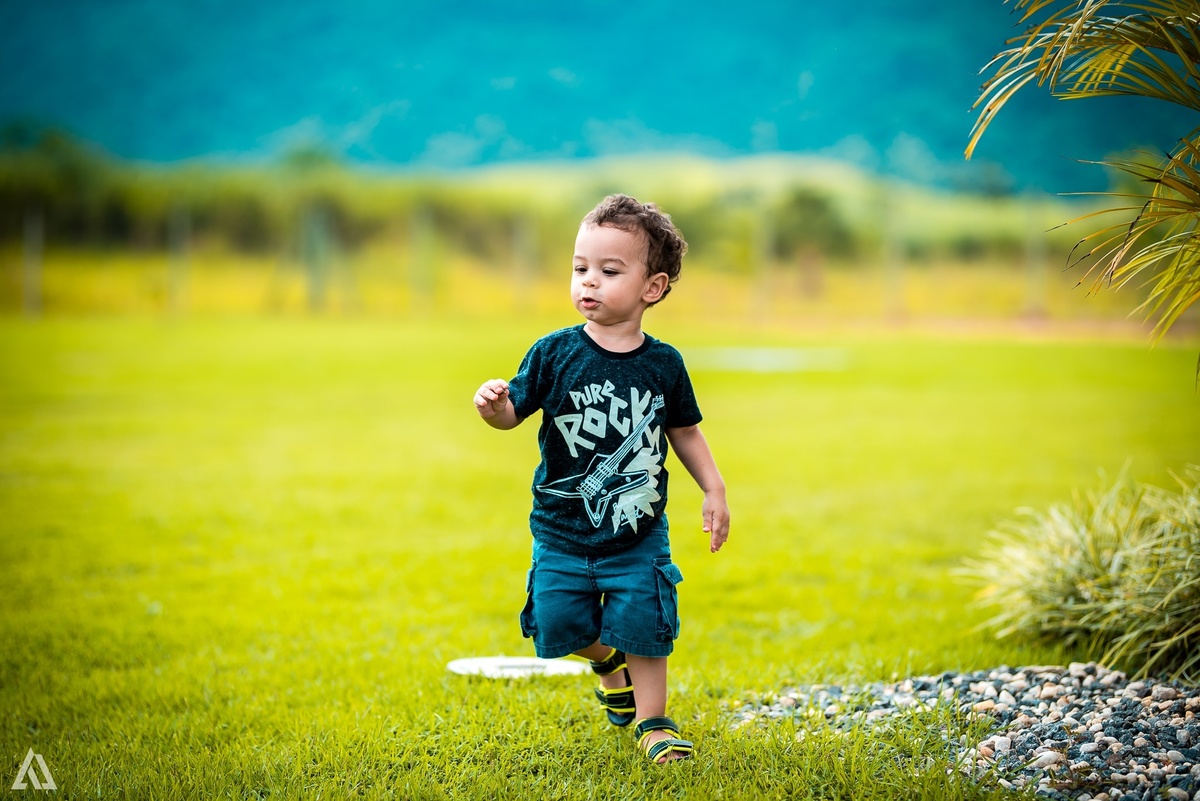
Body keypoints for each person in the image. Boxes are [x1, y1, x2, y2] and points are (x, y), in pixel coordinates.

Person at [473, 193, 730, 764]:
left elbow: (684, 431)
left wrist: (713, 489)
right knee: (558, 622)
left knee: (645, 620)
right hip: (562, 529)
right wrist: (493, 408)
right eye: (580, 268)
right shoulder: (554, 353)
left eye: (609, 271)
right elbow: (514, 412)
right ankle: (606, 663)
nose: (588, 281)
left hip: (638, 530)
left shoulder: (663, 365)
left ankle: (653, 721)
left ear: (652, 287)